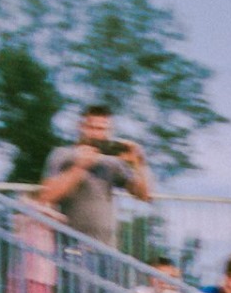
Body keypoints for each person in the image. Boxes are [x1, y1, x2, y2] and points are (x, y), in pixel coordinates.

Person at [34, 105, 153, 249]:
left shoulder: (113, 162)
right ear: (81, 127)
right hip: (71, 246)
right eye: (92, 128)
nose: (96, 134)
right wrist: (79, 167)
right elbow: (46, 196)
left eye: (102, 129)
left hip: (107, 248)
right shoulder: (63, 154)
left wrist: (139, 162)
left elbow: (144, 195)